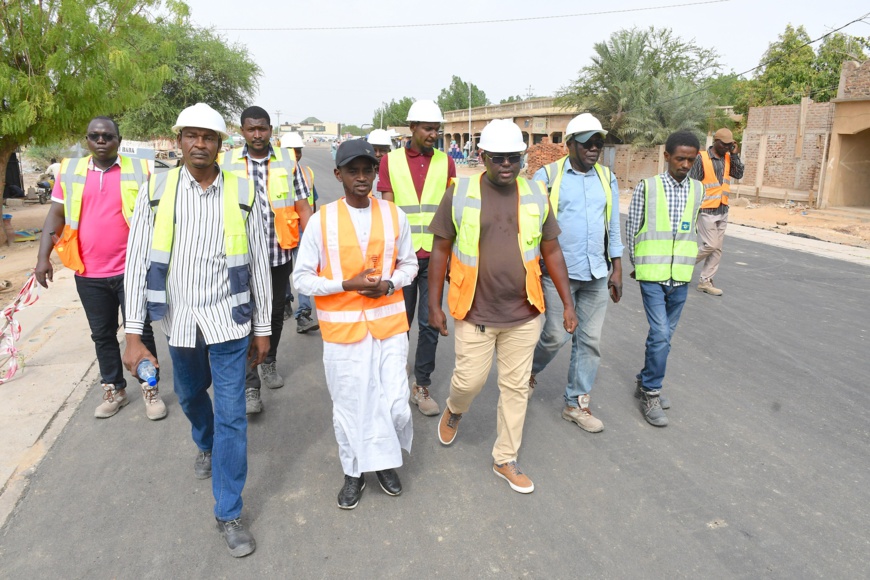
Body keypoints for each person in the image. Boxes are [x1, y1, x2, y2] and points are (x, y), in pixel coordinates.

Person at [123, 103, 272, 557]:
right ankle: (204, 442)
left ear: (221, 145)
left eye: (208, 137)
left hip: (230, 321)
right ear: (180, 140)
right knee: (189, 395)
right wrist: (133, 335)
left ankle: (228, 511)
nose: (200, 144)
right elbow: (136, 263)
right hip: (180, 322)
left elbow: (260, 263)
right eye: (192, 135)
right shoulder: (156, 190)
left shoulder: (244, 192)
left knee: (232, 415)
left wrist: (262, 328)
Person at [428, 119, 578, 494]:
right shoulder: (459, 192)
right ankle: (455, 408)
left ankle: (504, 458)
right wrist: (434, 305)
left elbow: (551, 250)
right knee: (469, 381)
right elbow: (440, 251)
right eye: (498, 159)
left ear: (522, 157)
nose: (507, 165)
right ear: (483, 157)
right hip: (475, 311)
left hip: (524, 312)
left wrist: (568, 302)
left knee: (515, 388)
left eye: (514, 158)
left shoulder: (535, 194)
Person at [294, 140, 418, 509]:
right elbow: (302, 279)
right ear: (339, 175)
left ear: (376, 172)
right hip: (343, 333)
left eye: (368, 170)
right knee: (351, 405)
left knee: (395, 402)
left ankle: (383, 461)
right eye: (353, 170)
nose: (362, 177)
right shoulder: (322, 221)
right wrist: (345, 284)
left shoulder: (395, 215)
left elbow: (409, 265)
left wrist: (389, 284)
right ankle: (354, 472)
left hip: (389, 326)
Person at [34, 117, 165, 420]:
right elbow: (56, 215)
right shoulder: (70, 171)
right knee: (102, 334)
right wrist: (43, 258)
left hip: (131, 271)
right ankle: (114, 389)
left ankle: (149, 388)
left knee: (141, 330)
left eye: (107, 136)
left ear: (119, 140)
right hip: (88, 272)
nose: (101, 141)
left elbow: (159, 215)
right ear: (87, 140)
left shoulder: (140, 169)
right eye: (94, 136)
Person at [528, 113, 623, 433]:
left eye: (599, 142)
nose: (594, 148)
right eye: (587, 143)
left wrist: (617, 267)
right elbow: (530, 226)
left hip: (596, 271)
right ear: (569, 145)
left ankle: (576, 403)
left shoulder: (607, 178)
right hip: (557, 274)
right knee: (556, 334)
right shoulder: (546, 176)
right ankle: (527, 373)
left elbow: (613, 225)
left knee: (590, 340)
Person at [219, 107, 312, 415]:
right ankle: (250, 385)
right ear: (242, 131)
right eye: (250, 129)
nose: (256, 134)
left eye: (262, 128)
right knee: (244, 315)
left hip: (278, 253)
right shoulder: (227, 161)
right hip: (239, 256)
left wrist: (312, 247)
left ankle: (268, 362)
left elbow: (302, 206)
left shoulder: (287, 161)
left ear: (271, 129)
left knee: (273, 315)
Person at [379, 99, 456, 417]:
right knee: (399, 324)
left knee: (429, 323)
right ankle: (394, 378)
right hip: (403, 258)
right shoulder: (390, 161)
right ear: (411, 128)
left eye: (437, 129)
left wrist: (452, 254)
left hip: (436, 256)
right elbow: (387, 209)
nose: (433, 134)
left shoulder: (446, 162)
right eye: (427, 128)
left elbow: (451, 208)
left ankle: (421, 385)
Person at [625, 130, 703, 428]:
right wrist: (638, 264)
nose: (685, 164)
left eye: (690, 160)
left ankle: (645, 380)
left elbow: (692, 229)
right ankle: (651, 393)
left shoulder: (698, 190)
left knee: (664, 336)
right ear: (667, 156)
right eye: (680, 158)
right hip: (652, 274)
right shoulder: (649, 187)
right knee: (660, 334)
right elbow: (633, 228)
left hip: (681, 275)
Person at [690, 127, 744, 296]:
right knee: (711, 245)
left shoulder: (729, 157)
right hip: (706, 209)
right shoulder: (702, 158)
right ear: (716, 142)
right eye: (725, 145)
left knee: (717, 248)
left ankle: (706, 281)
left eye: (730, 145)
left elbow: (739, 174)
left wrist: (735, 154)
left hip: (723, 208)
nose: (727, 148)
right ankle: (682, 264)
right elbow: (693, 183)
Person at [281, 132, 320, 334]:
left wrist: (315, 230)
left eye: (298, 151)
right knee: (284, 271)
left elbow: (312, 201)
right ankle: (286, 301)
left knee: (304, 270)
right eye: (291, 151)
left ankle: (303, 314)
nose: (296, 155)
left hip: (303, 229)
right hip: (281, 229)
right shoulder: (274, 173)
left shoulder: (307, 173)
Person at [367, 129, 392, 198]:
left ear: (389, 151)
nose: (377, 154)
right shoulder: (363, 173)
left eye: (382, 150)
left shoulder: (394, 173)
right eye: (374, 150)